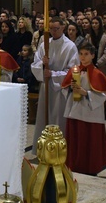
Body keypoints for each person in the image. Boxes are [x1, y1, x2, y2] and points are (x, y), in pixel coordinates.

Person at [61, 43, 106, 174]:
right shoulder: (73, 71)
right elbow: (64, 89)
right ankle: (73, 164)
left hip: (90, 112)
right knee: (75, 139)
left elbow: (102, 96)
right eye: (80, 54)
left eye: (86, 54)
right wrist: (70, 88)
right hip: (75, 109)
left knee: (89, 141)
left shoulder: (97, 74)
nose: (82, 57)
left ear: (93, 55)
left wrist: (86, 93)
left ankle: (89, 167)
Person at [31, 16, 78, 149]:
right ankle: (43, 148)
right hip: (46, 87)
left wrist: (53, 74)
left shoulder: (70, 47)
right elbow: (35, 64)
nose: (53, 32)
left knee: (58, 119)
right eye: (51, 29)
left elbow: (72, 71)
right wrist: (42, 64)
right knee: (43, 119)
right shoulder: (44, 44)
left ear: (63, 27)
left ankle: (58, 149)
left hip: (60, 90)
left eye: (56, 29)